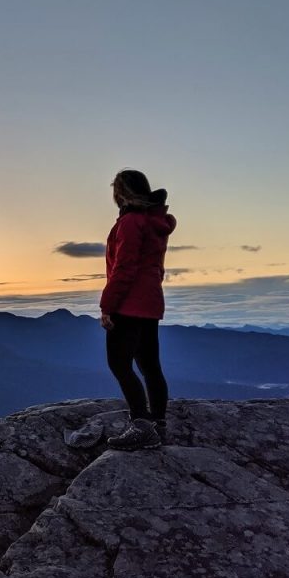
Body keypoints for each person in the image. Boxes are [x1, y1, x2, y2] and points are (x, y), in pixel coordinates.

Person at [99, 169, 177, 450]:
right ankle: (158, 423)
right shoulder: (154, 222)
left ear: (121, 192)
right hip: (150, 301)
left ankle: (142, 426)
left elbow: (124, 267)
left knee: (119, 363)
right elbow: (156, 267)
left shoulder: (131, 222)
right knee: (149, 366)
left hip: (129, 303)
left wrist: (108, 304)